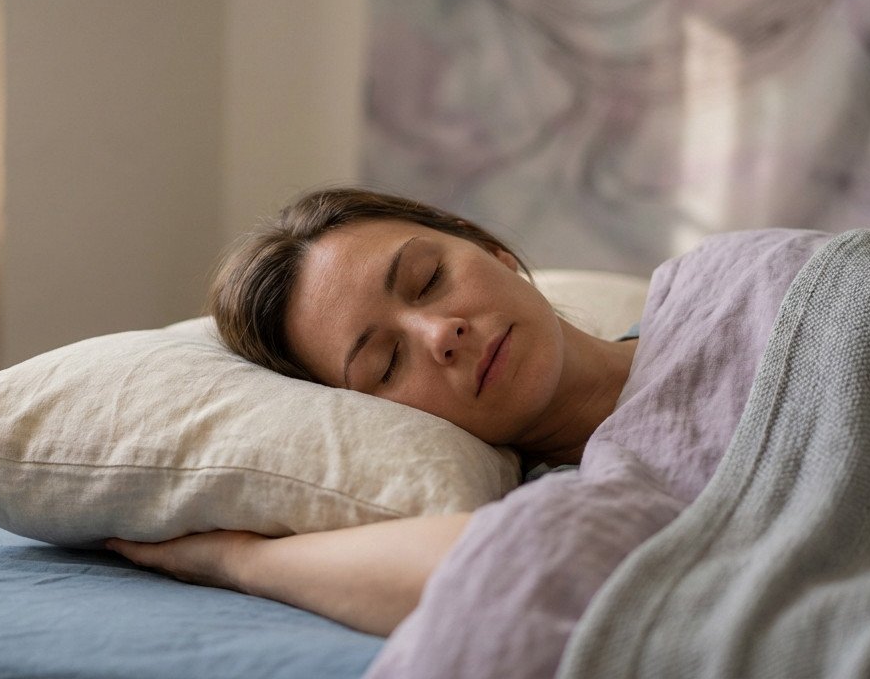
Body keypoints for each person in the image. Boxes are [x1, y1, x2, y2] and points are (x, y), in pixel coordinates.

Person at [106, 187, 639, 636]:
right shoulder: (579, 501)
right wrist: (235, 560)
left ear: (491, 249)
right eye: (385, 364)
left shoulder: (715, 288)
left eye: (429, 278)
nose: (440, 334)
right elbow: (495, 571)